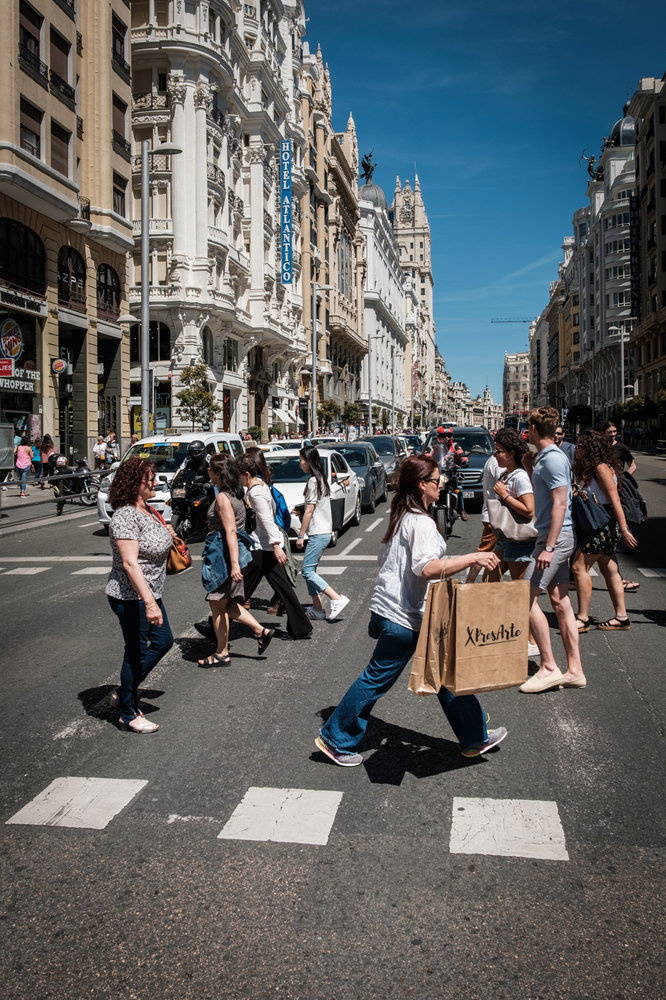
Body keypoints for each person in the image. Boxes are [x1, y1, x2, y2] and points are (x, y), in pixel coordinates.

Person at [315, 454, 507, 767]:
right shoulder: (420, 522)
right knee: (376, 679)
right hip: (403, 617)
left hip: (400, 610)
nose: (441, 484)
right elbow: (427, 568)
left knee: (446, 674)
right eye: (435, 480)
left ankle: (475, 738)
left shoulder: (402, 516)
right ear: (421, 485)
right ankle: (335, 739)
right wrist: (473, 558)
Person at [105, 457, 175, 733]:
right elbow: (130, 563)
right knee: (135, 652)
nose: (156, 481)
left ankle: (125, 692)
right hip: (130, 596)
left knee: (163, 641)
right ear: (136, 482)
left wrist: (167, 532)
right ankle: (128, 713)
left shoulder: (145, 508)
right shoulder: (125, 515)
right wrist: (148, 602)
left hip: (149, 592)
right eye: (151, 478)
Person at [518, 406, 585, 692]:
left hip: (555, 538)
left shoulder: (554, 459)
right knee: (559, 601)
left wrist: (548, 547)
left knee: (525, 596)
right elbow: (549, 495)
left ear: (533, 429)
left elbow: (560, 503)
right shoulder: (545, 458)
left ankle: (548, 667)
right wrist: (530, 467)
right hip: (555, 535)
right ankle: (574, 670)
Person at [198, 453, 273, 666]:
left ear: (219, 473)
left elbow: (230, 531)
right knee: (224, 603)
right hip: (234, 552)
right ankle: (260, 631)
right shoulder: (238, 493)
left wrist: (233, 565)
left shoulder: (223, 497)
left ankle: (222, 653)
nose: (208, 473)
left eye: (211, 470)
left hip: (224, 555)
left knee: (216, 603)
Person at [236, 454, 312, 640]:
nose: (238, 479)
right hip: (266, 546)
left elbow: (267, 521)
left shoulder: (255, 492)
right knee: (283, 588)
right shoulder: (261, 485)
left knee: (240, 590)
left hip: (263, 547)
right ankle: (301, 627)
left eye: (240, 475)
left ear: (246, 474)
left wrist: (276, 546)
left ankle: (218, 623)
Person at [571, 429, 638, 632]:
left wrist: (625, 529)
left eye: (580, 445)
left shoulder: (601, 468)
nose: (576, 448)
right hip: (602, 525)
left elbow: (615, 499)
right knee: (610, 569)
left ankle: (582, 618)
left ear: (590, 448)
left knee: (578, 567)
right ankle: (621, 617)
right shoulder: (591, 468)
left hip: (602, 526)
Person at [295, 445, 349, 621]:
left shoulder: (312, 481)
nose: (300, 463)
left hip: (318, 532)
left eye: (302, 459)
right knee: (310, 570)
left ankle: (336, 598)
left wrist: (300, 535)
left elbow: (310, 511)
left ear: (309, 461)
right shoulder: (321, 479)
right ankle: (317, 609)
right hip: (324, 531)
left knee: (307, 571)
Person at [600, 420, 639, 593]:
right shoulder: (601, 448)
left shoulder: (621, 448)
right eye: (610, 432)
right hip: (605, 488)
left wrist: (625, 477)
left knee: (621, 510)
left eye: (615, 431)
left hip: (619, 487)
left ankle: (625, 536)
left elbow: (633, 464)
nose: (613, 434)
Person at [429, 426, 469, 520]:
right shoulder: (433, 447)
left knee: (459, 489)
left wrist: (464, 460)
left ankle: (462, 509)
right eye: (444, 435)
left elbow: (461, 453)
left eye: (448, 435)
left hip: (450, 473)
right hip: (436, 474)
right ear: (438, 436)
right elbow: (427, 454)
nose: (447, 438)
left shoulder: (455, 445)